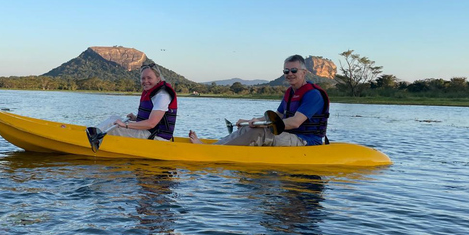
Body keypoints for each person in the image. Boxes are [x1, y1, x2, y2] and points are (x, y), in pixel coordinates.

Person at [189, 54, 329, 146]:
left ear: (304, 72)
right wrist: (252, 121)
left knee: (260, 131)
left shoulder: (313, 95)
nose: (289, 74)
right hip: (288, 136)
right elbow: (278, 115)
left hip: (306, 141)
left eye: (293, 70)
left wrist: (263, 125)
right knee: (250, 128)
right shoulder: (290, 92)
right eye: (286, 71)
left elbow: (295, 123)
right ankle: (212, 147)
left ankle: (213, 151)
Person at [106, 62, 178, 141]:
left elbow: (151, 123)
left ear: (158, 79)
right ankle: (93, 134)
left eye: (149, 78)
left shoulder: (162, 95)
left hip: (157, 138)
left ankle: (93, 139)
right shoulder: (153, 92)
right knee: (113, 118)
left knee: (111, 125)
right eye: (143, 78)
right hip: (148, 132)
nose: (145, 81)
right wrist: (136, 118)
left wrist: (125, 125)